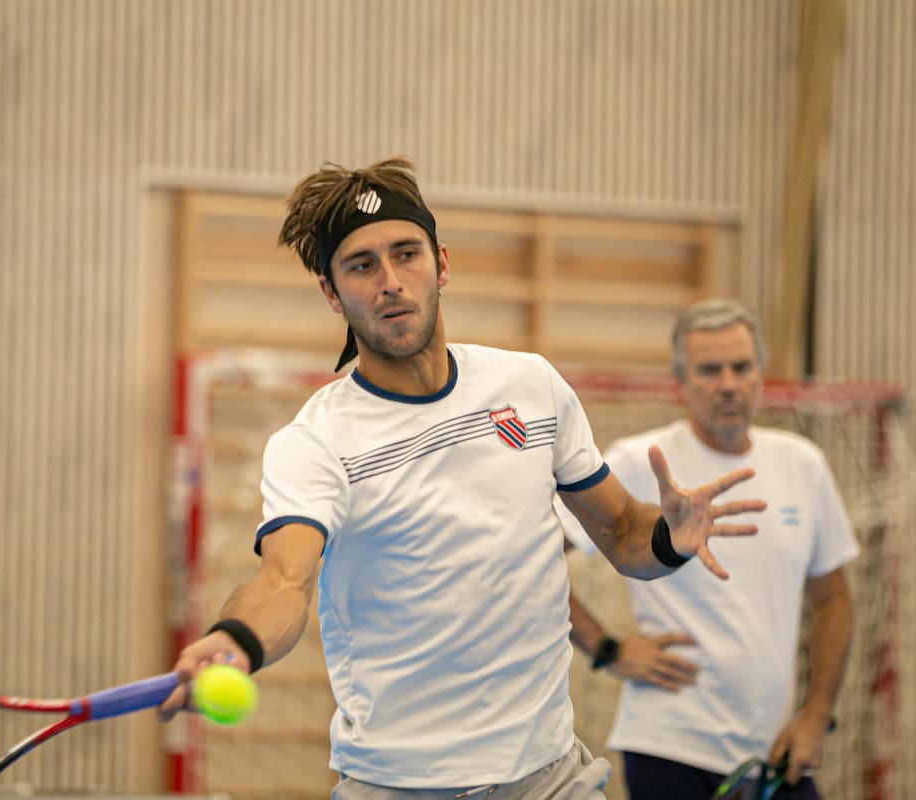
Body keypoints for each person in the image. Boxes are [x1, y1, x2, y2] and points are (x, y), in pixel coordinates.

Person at [159, 158, 766, 799]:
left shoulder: (530, 388)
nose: (391, 282)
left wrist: (670, 537)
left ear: (441, 263)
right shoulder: (314, 443)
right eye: (362, 265)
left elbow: (621, 532)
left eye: (406, 254)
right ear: (332, 294)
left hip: (550, 777)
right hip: (399, 786)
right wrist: (236, 639)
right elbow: (283, 582)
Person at [566, 299, 858, 799]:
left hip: (775, 753)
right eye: (709, 369)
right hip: (669, 747)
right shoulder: (641, 460)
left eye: (741, 367)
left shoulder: (803, 464)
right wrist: (608, 650)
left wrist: (816, 713)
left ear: (761, 373)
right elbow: (535, 563)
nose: (728, 383)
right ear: (679, 380)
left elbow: (833, 598)